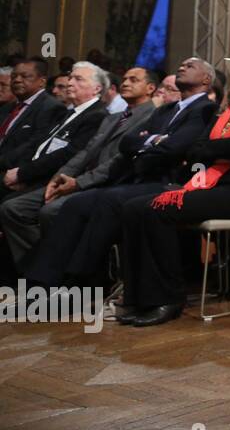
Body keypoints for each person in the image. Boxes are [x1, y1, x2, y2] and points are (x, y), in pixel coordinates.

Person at [116, 49, 230, 326]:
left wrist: (210, 150)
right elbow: (195, 149)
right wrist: (215, 151)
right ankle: (140, 298)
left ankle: (169, 298)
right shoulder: (226, 110)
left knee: (158, 210)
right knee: (134, 208)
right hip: (213, 186)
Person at [22, 58, 217, 289]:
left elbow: (175, 148)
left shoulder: (206, 109)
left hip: (170, 182)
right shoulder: (165, 110)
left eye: (190, 66)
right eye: (181, 64)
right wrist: (154, 140)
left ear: (206, 79)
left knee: (108, 201)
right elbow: (128, 143)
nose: (182, 67)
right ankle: (41, 282)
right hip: (141, 178)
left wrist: (147, 143)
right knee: (75, 205)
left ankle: (82, 283)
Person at [0, 67, 157, 276]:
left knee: (50, 211)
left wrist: (79, 182)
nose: (125, 83)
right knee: (14, 207)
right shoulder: (114, 116)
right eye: (125, 78)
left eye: (134, 80)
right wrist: (59, 177)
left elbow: (121, 160)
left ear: (150, 88)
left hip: (111, 182)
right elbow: (86, 151)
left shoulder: (152, 116)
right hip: (76, 177)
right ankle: (35, 270)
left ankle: (54, 274)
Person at [1, 62, 110, 201]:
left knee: (9, 206)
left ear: (97, 88)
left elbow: (67, 155)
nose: (70, 83)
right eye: (70, 78)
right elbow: (39, 144)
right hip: (33, 173)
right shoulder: (70, 112)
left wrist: (22, 174)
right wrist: (20, 172)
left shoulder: (97, 116)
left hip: (54, 178)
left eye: (78, 79)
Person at [0, 60, 66, 166]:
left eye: (25, 76)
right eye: (13, 76)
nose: (17, 80)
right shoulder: (8, 107)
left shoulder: (51, 108)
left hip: (16, 170)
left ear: (42, 81)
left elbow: (33, 145)